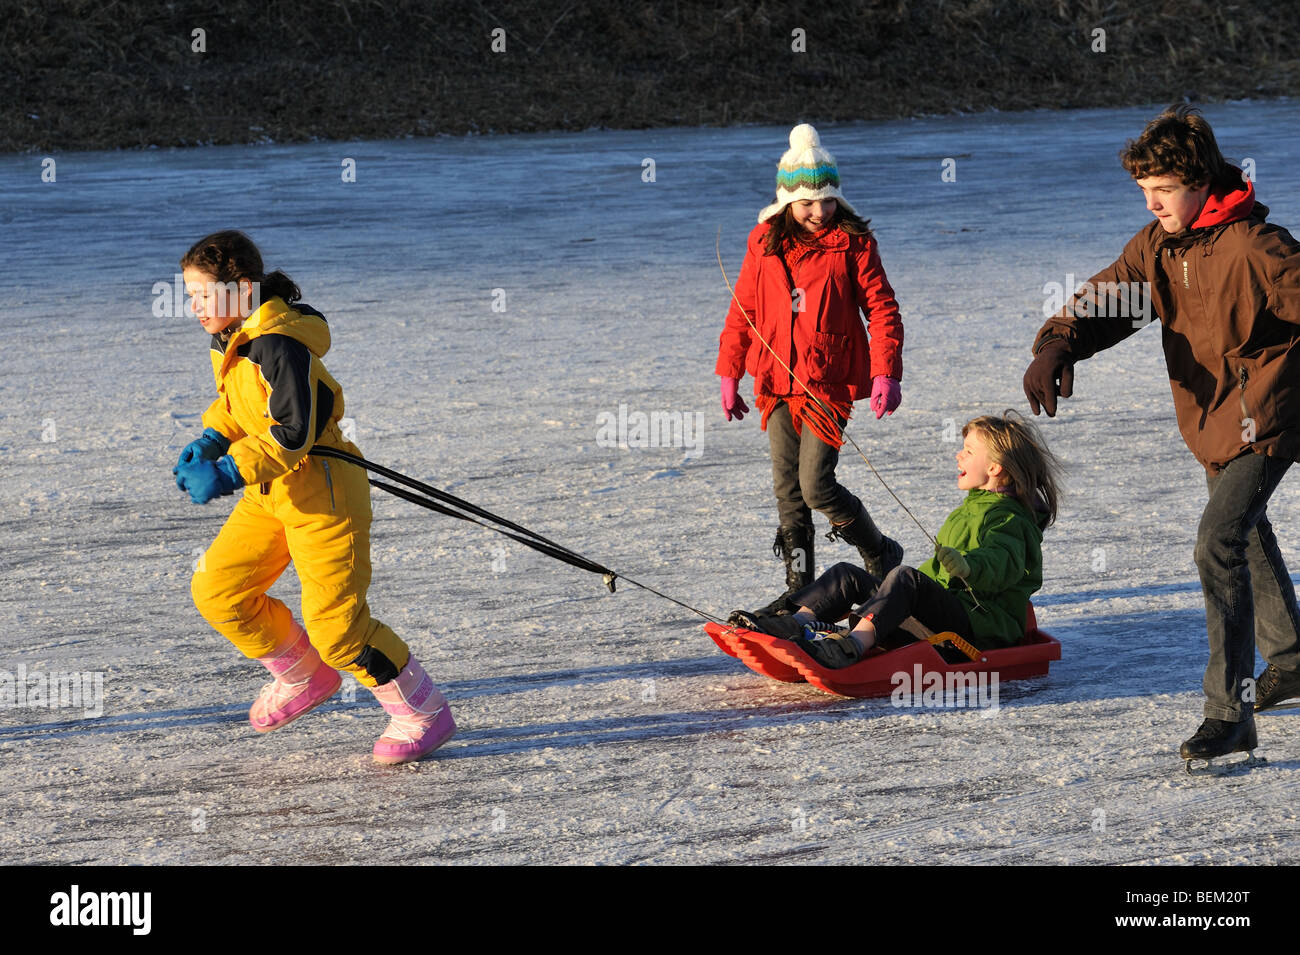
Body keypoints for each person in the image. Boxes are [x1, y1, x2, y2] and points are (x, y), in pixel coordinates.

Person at [1023, 105, 1300, 763]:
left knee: (1218, 542)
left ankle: (1229, 714)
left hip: (1267, 416)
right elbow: (1108, 298)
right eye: (1145, 193)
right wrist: (1058, 345)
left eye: (1164, 191)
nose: (1153, 204)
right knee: (1243, 532)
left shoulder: (1257, 248)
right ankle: (1290, 656)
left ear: (1200, 180)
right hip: (1210, 423)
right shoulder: (1158, 247)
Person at [173, 230, 456, 764]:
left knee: (337, 629)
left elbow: (292, 430)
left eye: (201, 294)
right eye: (189, 295)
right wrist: (212, 438)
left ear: (240, 288)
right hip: (271, 492)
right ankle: (302, 674)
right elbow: (241, 406)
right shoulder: (233, 336)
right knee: (218, 590)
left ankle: (423, 711)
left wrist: (230, 469)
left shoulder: (279, 342)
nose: (193, 307)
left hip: (323, 490)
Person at [716, 123, 906, 615]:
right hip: (776, 381)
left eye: (826, 200)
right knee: (788, 491)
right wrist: (730, 372)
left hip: (828, 381)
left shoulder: (853, 242)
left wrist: (886, 372)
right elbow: (744, 310)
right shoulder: (763, 243)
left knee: (816, 484)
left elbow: (882, 308)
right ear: (785, 202)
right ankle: (799, 586)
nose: (819, 212)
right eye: (806, 204)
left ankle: (879, 551)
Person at [732, 412, 1059, 669]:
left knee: (905, 578)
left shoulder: (1012, 521)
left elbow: (1002, 562)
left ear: (994, 467)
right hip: (946, 617)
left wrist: (970, 567)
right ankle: (791, 624)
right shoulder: (971, 508)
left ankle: (851, 646)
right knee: (848, 575)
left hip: (975, 632)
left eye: (968, 451)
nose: (959, 456)